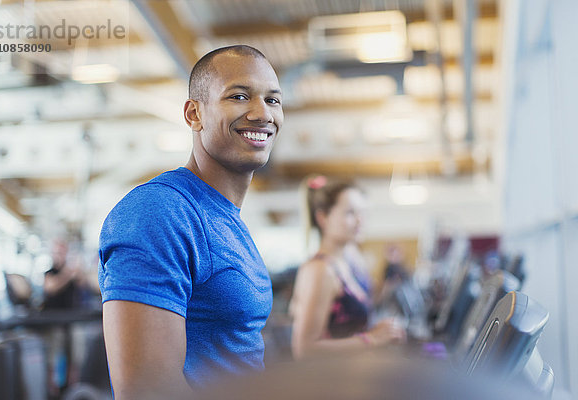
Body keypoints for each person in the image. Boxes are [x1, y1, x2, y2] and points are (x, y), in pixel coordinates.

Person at [98, 45, 283, 398]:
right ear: (194, 113)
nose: (262, 113)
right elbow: (146, 392)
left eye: (273, 100)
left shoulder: (227, 219)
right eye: (240, 96)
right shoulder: (158, 212)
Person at [289, 176, 405, 359]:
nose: (360, 221)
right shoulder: (320, 270)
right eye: (350, 213)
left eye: (363, 213)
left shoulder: (350, 258)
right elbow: (304, 350)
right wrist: (372, 339)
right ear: (323, 218)